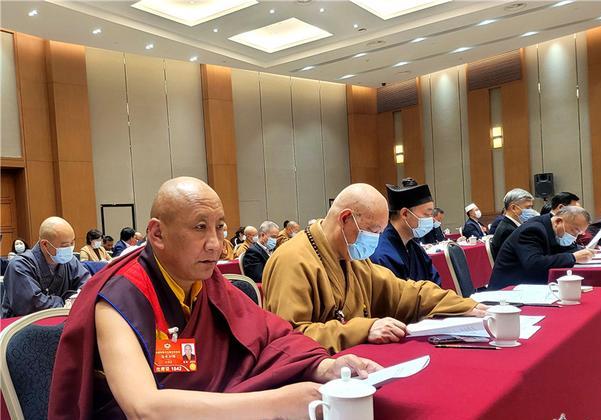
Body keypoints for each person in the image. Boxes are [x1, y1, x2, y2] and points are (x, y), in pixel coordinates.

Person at [48, 177, 380, 419]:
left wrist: (325, 366)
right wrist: (276, 404)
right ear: (157, 234)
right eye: (199, 228)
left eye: (220, 227)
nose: (216, 244)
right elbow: (144, 408)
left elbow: (272, 336)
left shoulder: (205, 281)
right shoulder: (121, 298)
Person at [262, 183, 486, 353]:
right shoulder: (292, 260)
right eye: (372, 230)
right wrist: (363, 329)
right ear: (345, 218)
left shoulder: (352, 258)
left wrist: (467, 306)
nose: (376, 240)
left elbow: (405, 293)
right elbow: (290, 339)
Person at [1, 217, 90, 317]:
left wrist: (80, 297)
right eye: (64, 245)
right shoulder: (19, 266)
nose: (70, 248)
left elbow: (89, 286)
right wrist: (68, 302)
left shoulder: (70, 261)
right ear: (45, 244)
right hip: (23, 324)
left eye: (72, 243)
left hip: (64, 320)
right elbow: (33, 305)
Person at [488, 206, 595, 290]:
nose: (574, 237)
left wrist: (580, 251)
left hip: (531, 284)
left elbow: (564, 249)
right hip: (509, 289)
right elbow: (534, 263)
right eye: (574, 231)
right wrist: (573, 257)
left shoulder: (551, 228)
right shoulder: (532, 230)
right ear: (558, 221)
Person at [370, 184, 441, 286]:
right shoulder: (381, 255)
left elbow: (435, 283)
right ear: (405, 214)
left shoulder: (415, 249)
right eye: (427, 214)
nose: (431, 220)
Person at [490, 189, 537, 260]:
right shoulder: (508, 231)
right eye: (528, 207)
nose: (532, 211)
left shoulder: (511, 225)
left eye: (531, 207)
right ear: (514, 208)